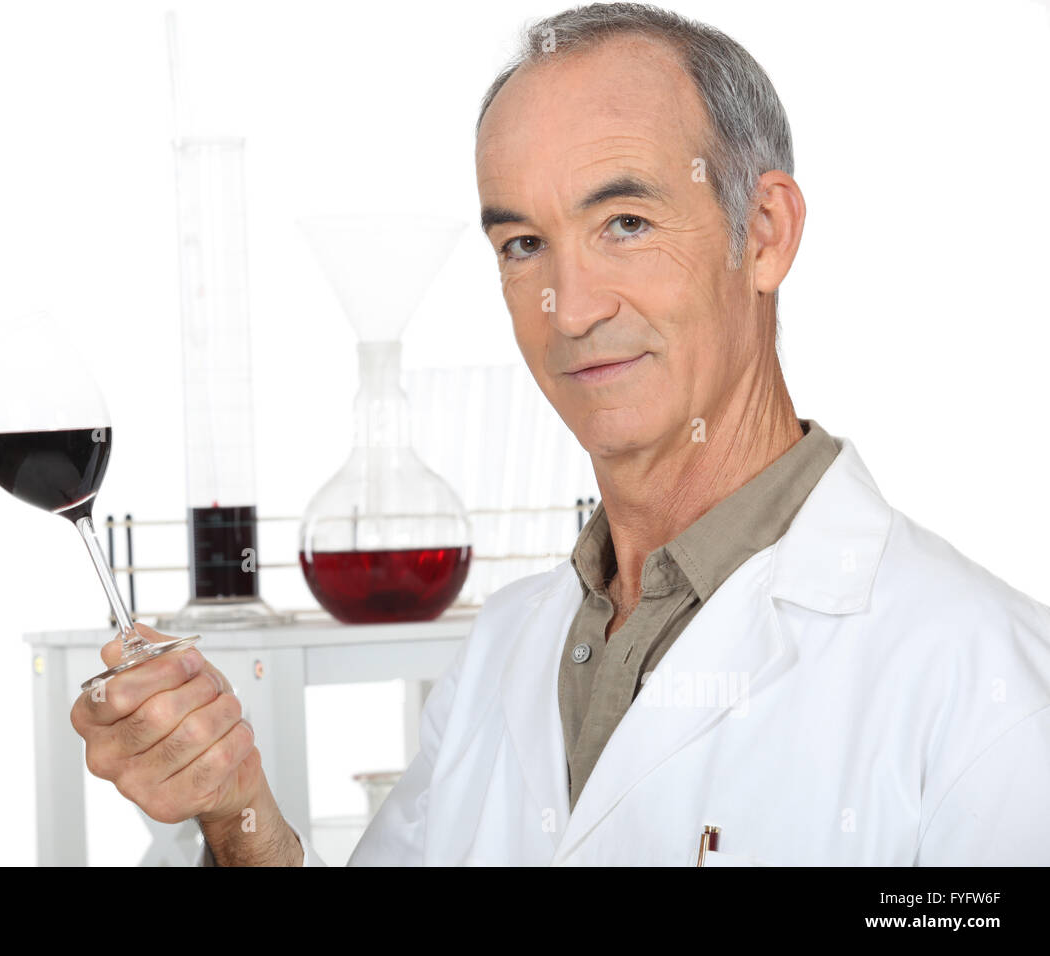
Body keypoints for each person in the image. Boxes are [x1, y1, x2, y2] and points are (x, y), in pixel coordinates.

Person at [70, 2, 1050, 866]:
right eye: (524, 244)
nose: (568, 307)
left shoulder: (979, 682)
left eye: (623, 221)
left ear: (764, 233)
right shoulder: (508, 646)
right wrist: (237, 809)